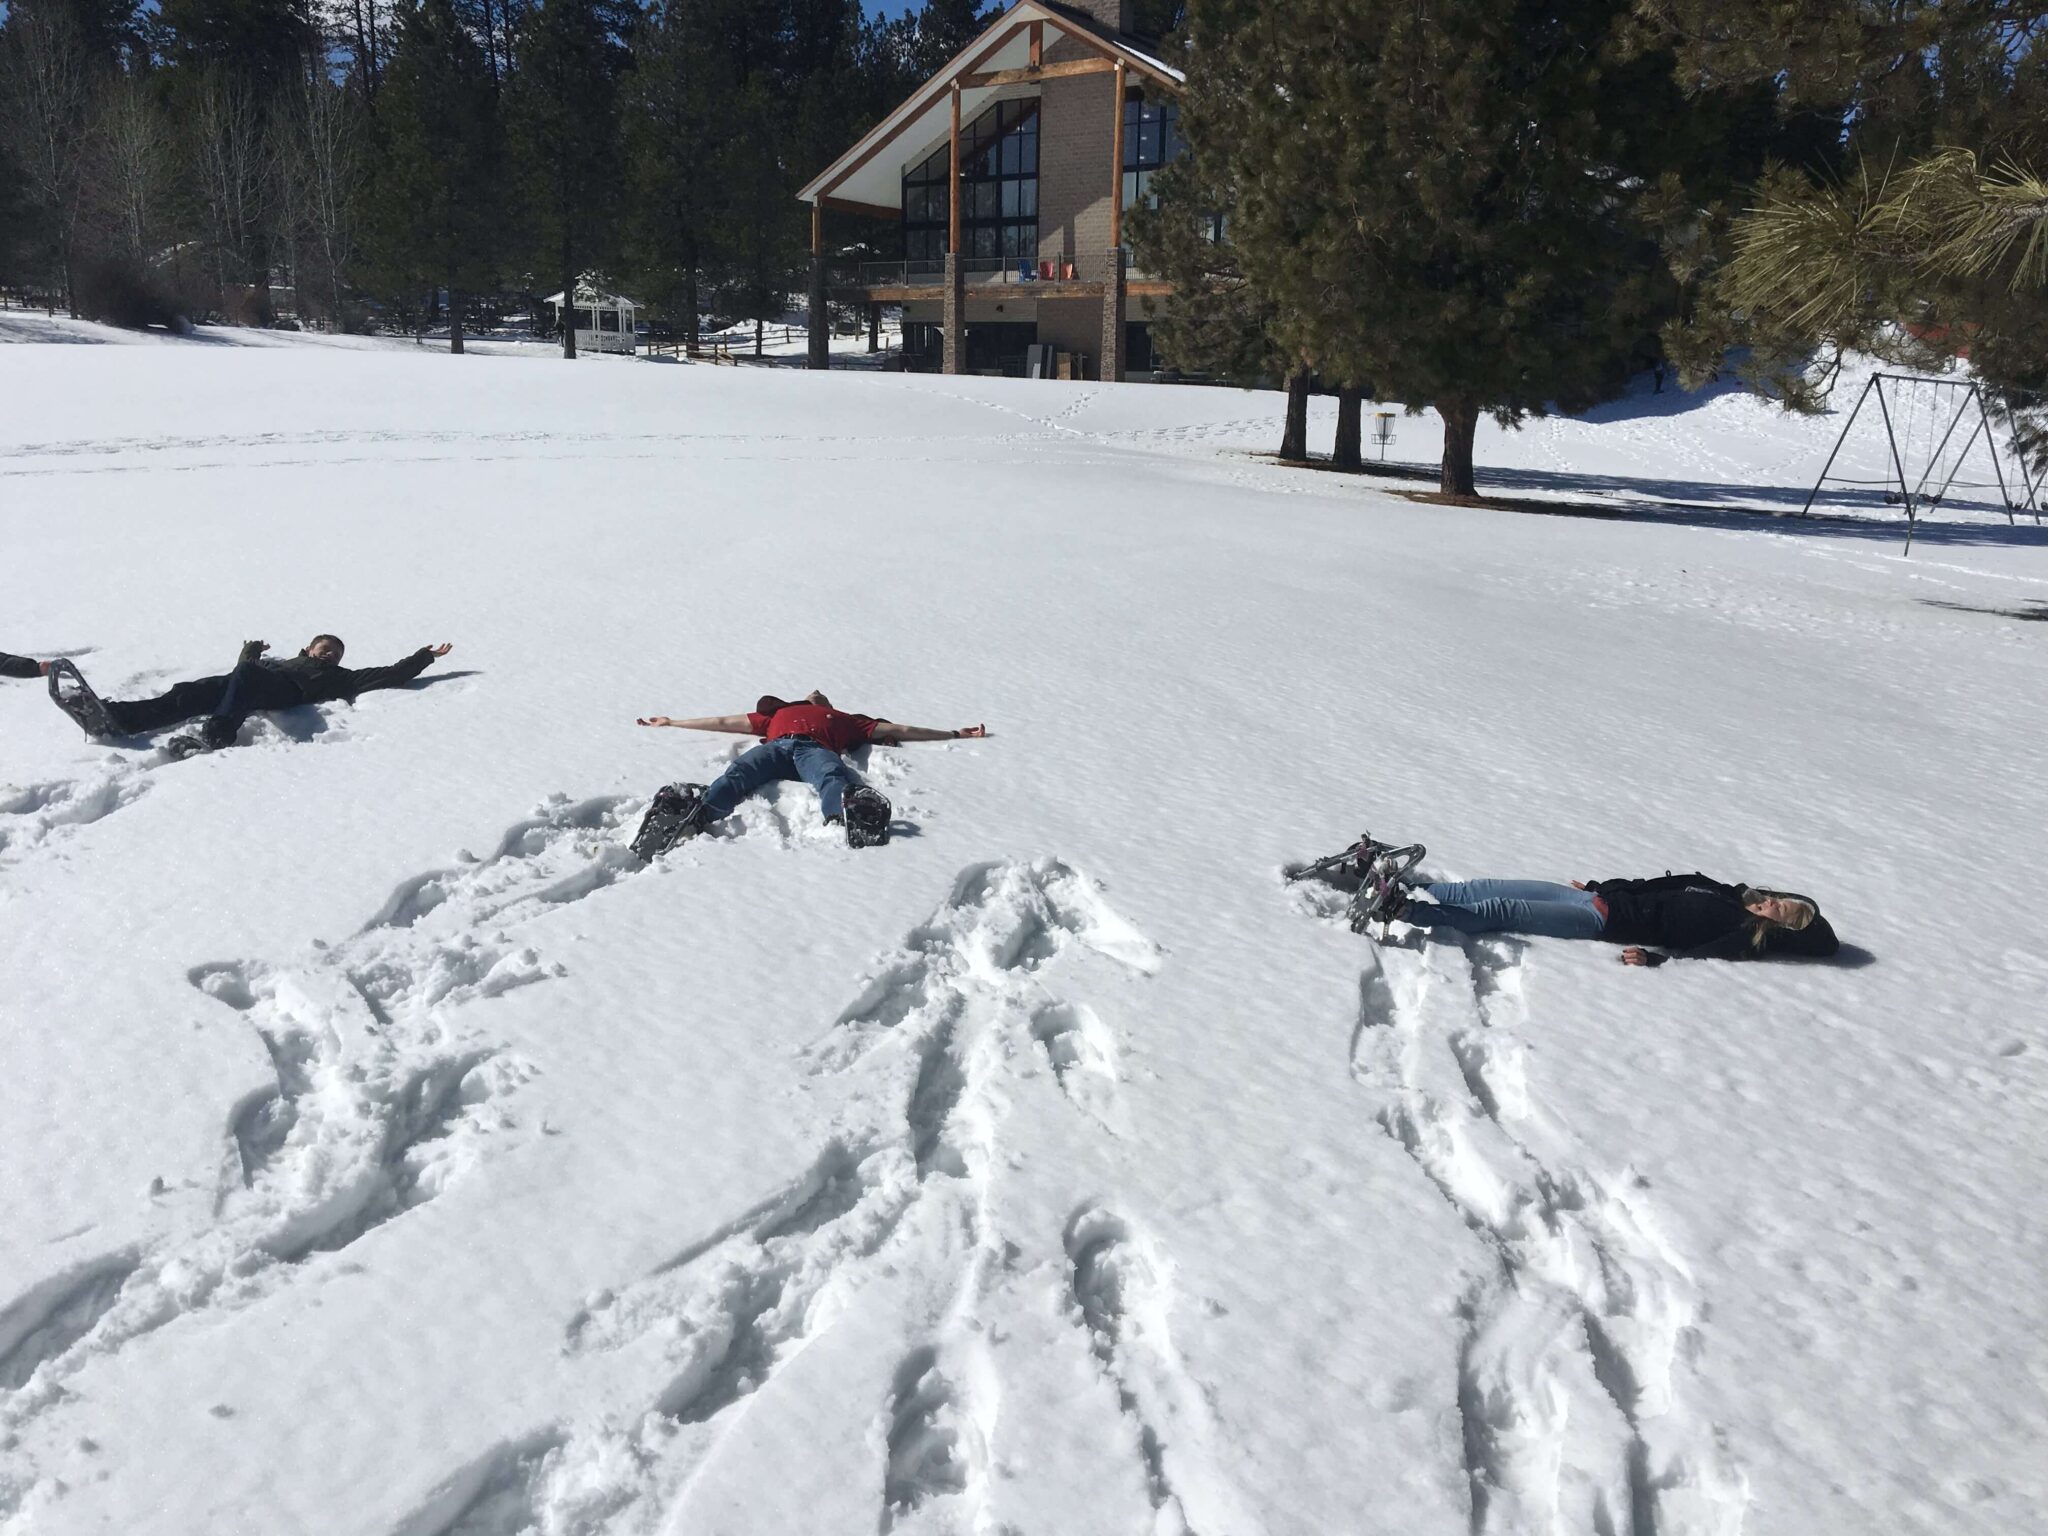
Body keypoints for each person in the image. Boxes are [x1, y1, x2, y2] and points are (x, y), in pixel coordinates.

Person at [635, 690, 986, 844]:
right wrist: (673, 722)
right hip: (776, 746)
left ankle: (842, 818)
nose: (815, 691)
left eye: (821, 692)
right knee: (738, 774)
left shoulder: (848, 720)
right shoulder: (778, 712)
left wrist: (954, 733)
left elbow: (902, 730)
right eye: (811, 692)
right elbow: (725, 721)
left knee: (832, 776)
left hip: (814, 750)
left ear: (829, 702)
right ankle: (697, 816)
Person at [76, 635, 453, 750]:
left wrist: (423, 657)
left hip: (284, 692)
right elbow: (246, 672)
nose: (332, 655)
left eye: (337, 654)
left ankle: (220, 731)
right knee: (188, 692)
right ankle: (122, 718)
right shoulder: (282, 661)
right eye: (326, 650)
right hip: (245, 683)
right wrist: (252, 654)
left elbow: (391, 674)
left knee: (243, 677)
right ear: (308, 649)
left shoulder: (342, 678)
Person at [1391, 871, 1839, 966]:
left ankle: (1407, 909)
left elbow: (1703, 954)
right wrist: (1601, 886)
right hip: (1601, 900)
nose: (1771, 904)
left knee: (1502, 912)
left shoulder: (1741, 934)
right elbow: (1659, 884)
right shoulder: (1726, 892)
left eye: (1781, 912)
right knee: (1489, 888)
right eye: (1777, 899)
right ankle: (1406, 880)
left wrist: (1656, 959)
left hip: (1604, 924)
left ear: (1780, 927)